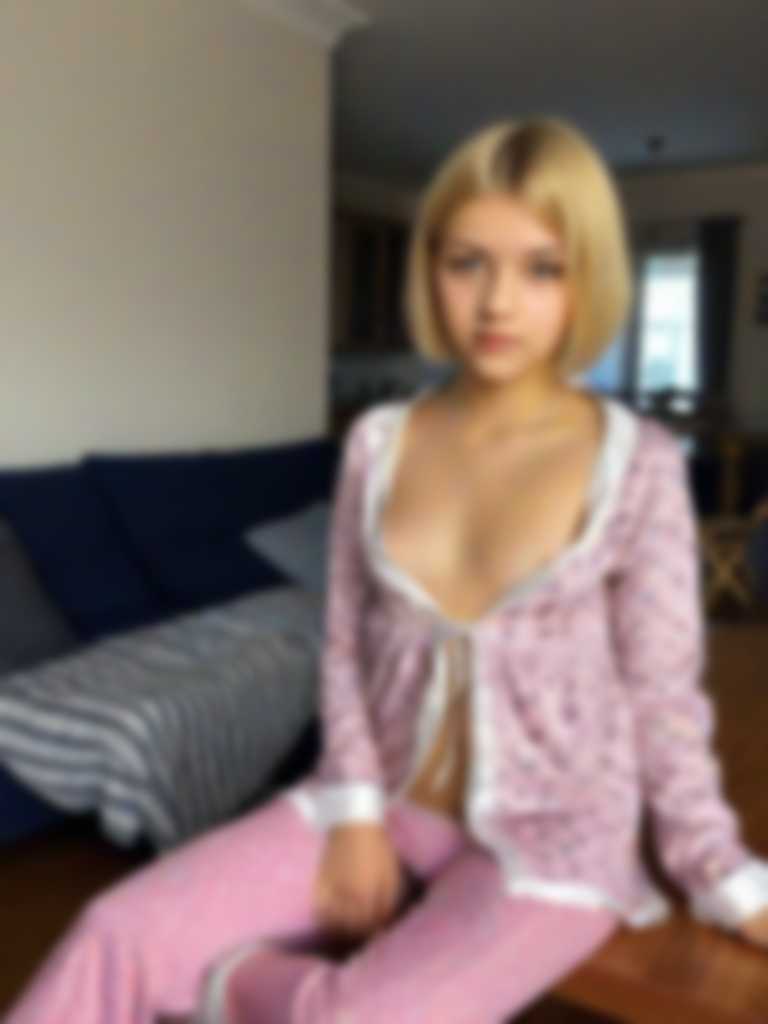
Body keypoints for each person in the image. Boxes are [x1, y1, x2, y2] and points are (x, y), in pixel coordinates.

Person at [7, 115, 768, 1024]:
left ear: (588, 278)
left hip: (557, 838)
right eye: (467, 262)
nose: (497, 302)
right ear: (431, 270)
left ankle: (240, 986)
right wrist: (358, 812)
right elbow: (343, 648)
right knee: (114, 931)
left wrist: (720, 873)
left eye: (542, 268)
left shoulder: (637, 462)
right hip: (384, 800)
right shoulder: (378, 442)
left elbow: (663, 696)